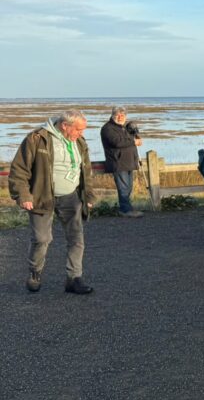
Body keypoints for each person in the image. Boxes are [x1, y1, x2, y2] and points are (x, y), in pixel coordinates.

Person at [8, 109, 97, 294]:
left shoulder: (79, 141)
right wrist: (23, 195)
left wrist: (88, 196)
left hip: (71, 197)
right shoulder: (36, 139)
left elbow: (85, 171)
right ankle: (35, 272)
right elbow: (19, 169)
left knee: (76, 238)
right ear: (65, 126)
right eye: (79, 129)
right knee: (41, 239)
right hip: (42, 196)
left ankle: (74, 278)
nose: (82, 134)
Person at [100, 106, 144, 218]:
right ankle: (125, 210)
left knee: (128, 187)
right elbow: (117, 143)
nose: (120, 117)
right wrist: (134, 141)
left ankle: (127, 208)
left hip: (129, 162)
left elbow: (129, 140)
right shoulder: (107, 128)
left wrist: (134, 133)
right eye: (118, 115)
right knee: (123, 188)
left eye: (123, 115)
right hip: (118, 162)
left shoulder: (124, 128)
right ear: (113, 115)